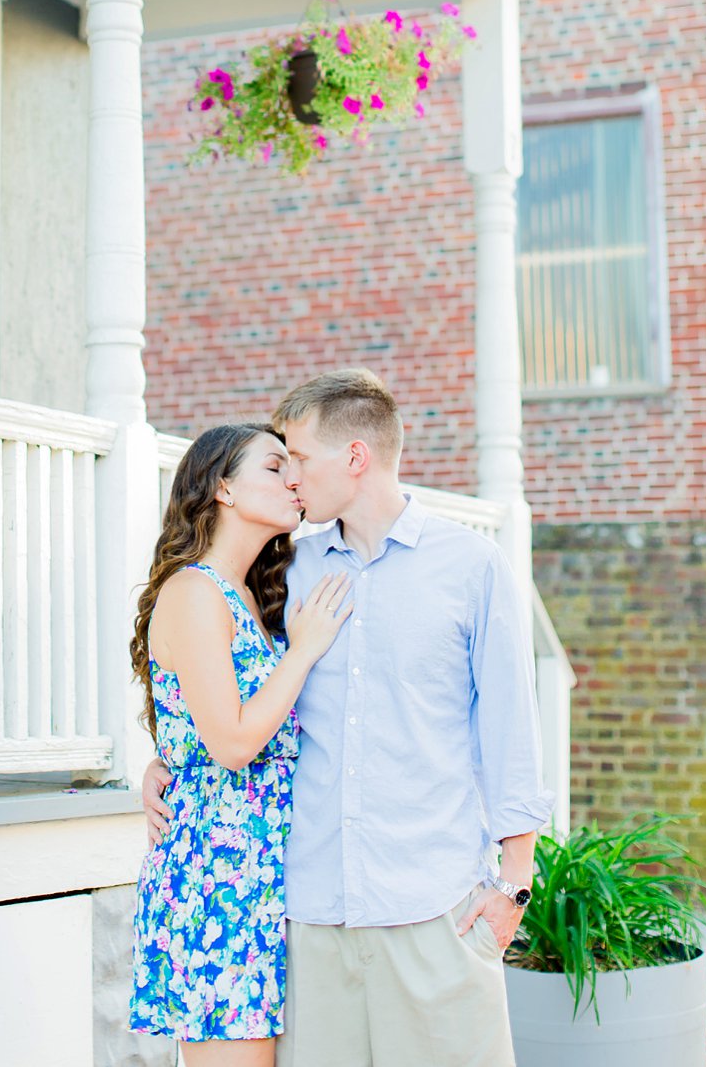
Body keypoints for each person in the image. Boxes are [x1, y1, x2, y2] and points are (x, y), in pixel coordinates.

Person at [143, 370, 552, 1067]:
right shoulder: (285, 573)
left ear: (354, 458)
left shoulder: (471, 567)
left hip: (433, 907)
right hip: (306, 913)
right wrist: (165, 761)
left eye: (296, 457)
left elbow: (512, 730)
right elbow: (216, 686)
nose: (292, 476)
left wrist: (516, 880)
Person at [127, 422, 354, 1064]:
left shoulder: (250, 597)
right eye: (275, 466)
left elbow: (201, 722)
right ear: (223, 487)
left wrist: (163, 760)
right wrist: (304, 652)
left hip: (262, 868)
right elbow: (229, 743)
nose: (294, 479)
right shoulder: (195, 590)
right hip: (219, 872)